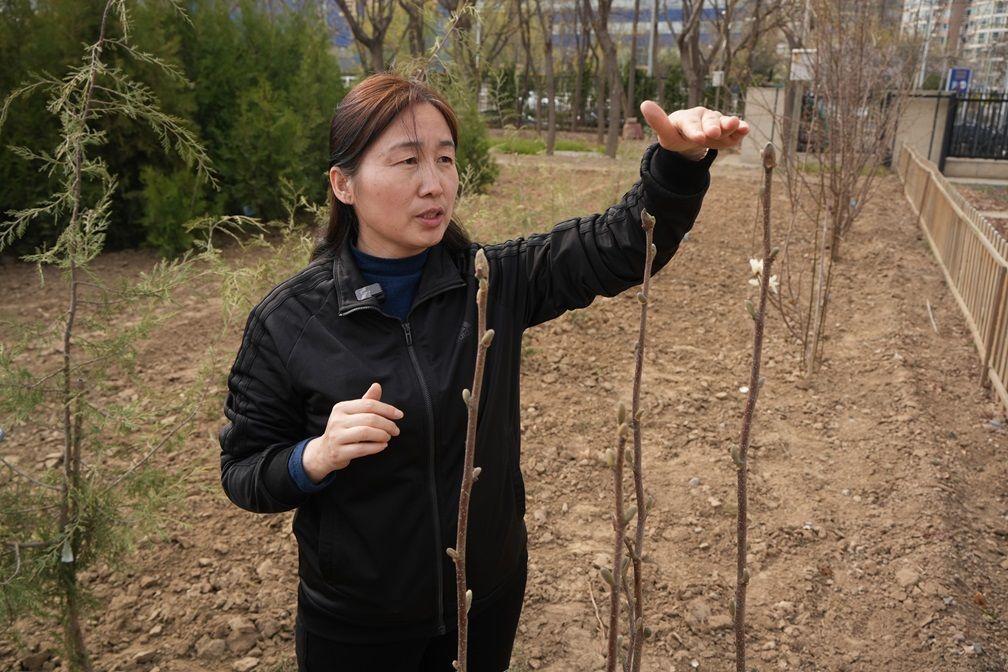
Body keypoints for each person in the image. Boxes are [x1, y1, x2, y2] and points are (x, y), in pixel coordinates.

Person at [218, 72, 748, 672]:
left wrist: (677, 163)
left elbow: (621, 243)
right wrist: (312, 457)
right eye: (408, 161)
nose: (434, 183)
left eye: (446, 159)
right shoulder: (290, 323)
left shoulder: (491, 283)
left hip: (485, 595)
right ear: (343, 183)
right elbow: (242, 469)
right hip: (357, 621)